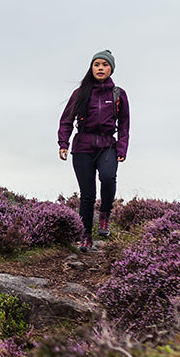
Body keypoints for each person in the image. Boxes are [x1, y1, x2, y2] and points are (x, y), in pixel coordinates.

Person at [57, 50, 130, 252]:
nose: (100, 68)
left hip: (108, 145)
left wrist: (122, 147)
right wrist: (63, 143)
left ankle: (105, 214)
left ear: (111, 69)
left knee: (108, 177)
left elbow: (124, 124)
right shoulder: (80, 93)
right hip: (82, 146)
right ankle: (86, 235)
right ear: (91, 67)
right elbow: (66, 120)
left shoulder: (118, 94)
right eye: (96, 64)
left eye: (104, 65)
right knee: (87, 195)